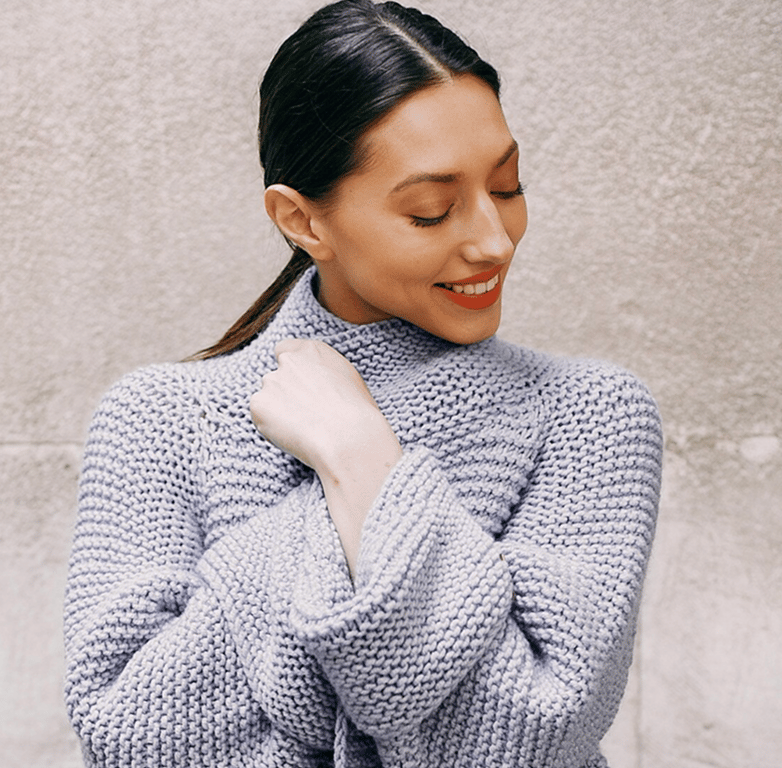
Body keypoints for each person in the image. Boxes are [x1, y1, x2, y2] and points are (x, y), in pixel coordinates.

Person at [62, 1, 663, 765]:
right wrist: (362, 541)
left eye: (508, 187)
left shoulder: (590, 413)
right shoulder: (159, 419)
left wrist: (363, 461)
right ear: (303, 221)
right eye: (432, 211)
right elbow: (127, 731)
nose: (494, 240)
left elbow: (534, 733)